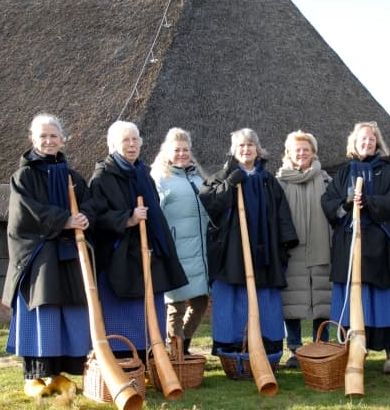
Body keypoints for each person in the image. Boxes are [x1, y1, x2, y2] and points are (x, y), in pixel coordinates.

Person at [2, 113, 92, 398]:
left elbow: (90, 206)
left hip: (67, 257)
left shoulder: (73, 177)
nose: (49, 141)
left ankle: (57, 375)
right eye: (43, 136)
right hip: (38, 257)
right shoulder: (24, 177)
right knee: (43, 311)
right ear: (33, 139)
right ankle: (34, 377)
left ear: (62, 139)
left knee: (68, 313)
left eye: (53, 136)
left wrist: (86, 219)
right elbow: (26, 213)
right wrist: (65, 220)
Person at [89, 120, 188, 361]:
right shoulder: (103, 176)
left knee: (148, 313)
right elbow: (95, 216)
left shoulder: (143, 172)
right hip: (120, 259)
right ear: (113, 145)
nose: (132, 144)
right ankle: (124, 361)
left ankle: (148, 359)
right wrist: (127, 219)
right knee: (123, 314)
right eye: (126, 140)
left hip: (147, 253)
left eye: (135, 139)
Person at [199, 128, 298, 362]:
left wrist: (285, 243)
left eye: (250, 145)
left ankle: (267, 345)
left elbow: (281, 213)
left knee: (265, 298)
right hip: (231, 252)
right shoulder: (221, 177)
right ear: (234, 150)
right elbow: (211, 204)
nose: (246, 149)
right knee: (232, 297)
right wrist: (231, 183)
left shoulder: (268, 180)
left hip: (263, 251)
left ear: (257, 149)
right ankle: (232, 349)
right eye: (241, 146)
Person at [321, 121, 390, 374]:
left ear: (377, 143)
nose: (367, 143)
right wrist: (348, 202)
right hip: (350, 245)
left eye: (372, 140)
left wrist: (369, 201)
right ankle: (352, 349)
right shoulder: (343, 172)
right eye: (363, 139)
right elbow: (328, 203)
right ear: (354, 143)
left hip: (380, 245)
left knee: (382, 300)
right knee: (352, 302)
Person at [150, 128, 210, 356]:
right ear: (167, 151)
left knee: (200, 301)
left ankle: (182, 343)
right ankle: (175, 350)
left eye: (186, 150)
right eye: (177, 150)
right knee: (175, 303)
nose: (182, 154)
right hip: (175, 249)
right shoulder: (159, 178)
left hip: (200, 250)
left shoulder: (197, 176)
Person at [276, 130, 333, 368]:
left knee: (322, 300)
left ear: (313, 152)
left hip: (322, 249)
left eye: (306, 149)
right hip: (293, 250)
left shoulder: (327, 181)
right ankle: (295, 349)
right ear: (288, 153)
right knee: (293, 302)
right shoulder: (279, 182)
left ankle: (322, 346)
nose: (301, 154)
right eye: (296, 150)